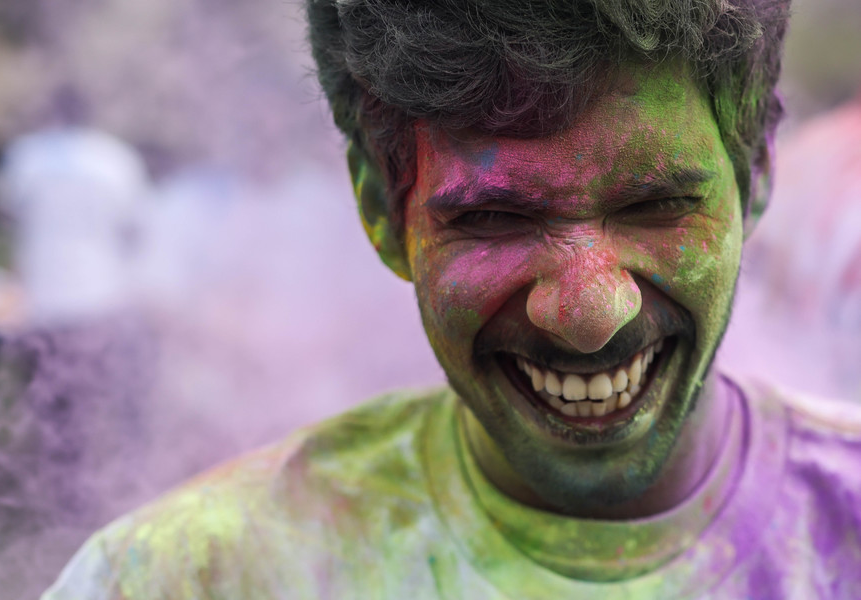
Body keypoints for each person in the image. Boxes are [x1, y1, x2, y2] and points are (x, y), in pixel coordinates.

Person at [43, 1, 861, 598]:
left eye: (655, 205)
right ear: (379, 208)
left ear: (755, 175)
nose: (587, 314)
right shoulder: (185, 578)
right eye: (494, 217)